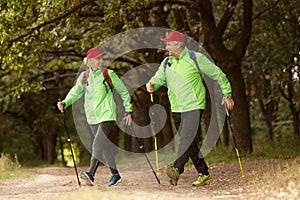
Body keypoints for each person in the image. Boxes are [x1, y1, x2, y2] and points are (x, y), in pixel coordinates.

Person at [146, 31, 234, 186]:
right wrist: (152, 84)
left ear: (178, 44)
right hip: (176, 108)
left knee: (186, 138)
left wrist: (227, 94)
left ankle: (177, 168)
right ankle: (204, 173)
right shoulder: (167, 62)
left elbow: (217, 73)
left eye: (168, 44)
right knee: (190, 142)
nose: (166, 47)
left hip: (194, 105)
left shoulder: (195, 58)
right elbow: (158, 79)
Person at [57, 47, 133, 187]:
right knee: (103, 145)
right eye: (98, 58)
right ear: (90, 61)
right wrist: (65, 102)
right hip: (92, 116)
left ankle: (91, 174)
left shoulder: (108, 74)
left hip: (107, 114)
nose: (101, 61)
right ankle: (115, 175)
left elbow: (123, 92)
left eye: (101, 58)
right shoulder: (85, 77)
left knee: (98, 142)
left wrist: (128, 110)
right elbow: (75, 92)